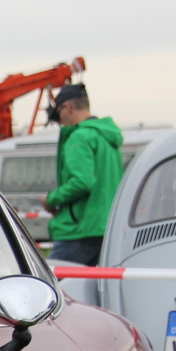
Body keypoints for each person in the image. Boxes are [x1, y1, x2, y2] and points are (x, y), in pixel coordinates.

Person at [42, 84, 123, 266]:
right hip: (107, 228)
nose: (60, 122)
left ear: (68, 108)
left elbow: (82, 182)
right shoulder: (107, 137)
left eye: (59, 114)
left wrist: (51, 199)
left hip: (80, 230)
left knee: (50, 285)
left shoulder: (79, 137)